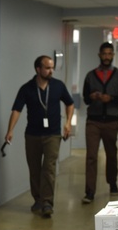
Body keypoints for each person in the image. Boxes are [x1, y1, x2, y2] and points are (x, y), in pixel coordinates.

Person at [4, 55, 74, 218]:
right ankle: (38, 199)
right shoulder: (27, 88)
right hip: (32, 135)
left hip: (53, 135)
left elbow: (69, 103)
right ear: (38, 69)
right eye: (48, 68)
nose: (51, 71)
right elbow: (16, 110)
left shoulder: (58, 86)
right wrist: (10, 130)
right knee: (34, 169)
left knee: (49, 168)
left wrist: (68, 122)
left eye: (52, 68)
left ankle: (47, 203)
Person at [81, 42, 118, 204]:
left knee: (111, 154)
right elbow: (85, 98)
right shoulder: (90, 75)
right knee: (91, 156)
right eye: (104, 54)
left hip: (111, 122)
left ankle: (112, 182)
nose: (107, 57)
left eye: (110, 54)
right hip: (93, 121)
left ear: (113, 55)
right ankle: (89, 191)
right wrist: (93, 97)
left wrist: (112, 99)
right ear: (99, 55)